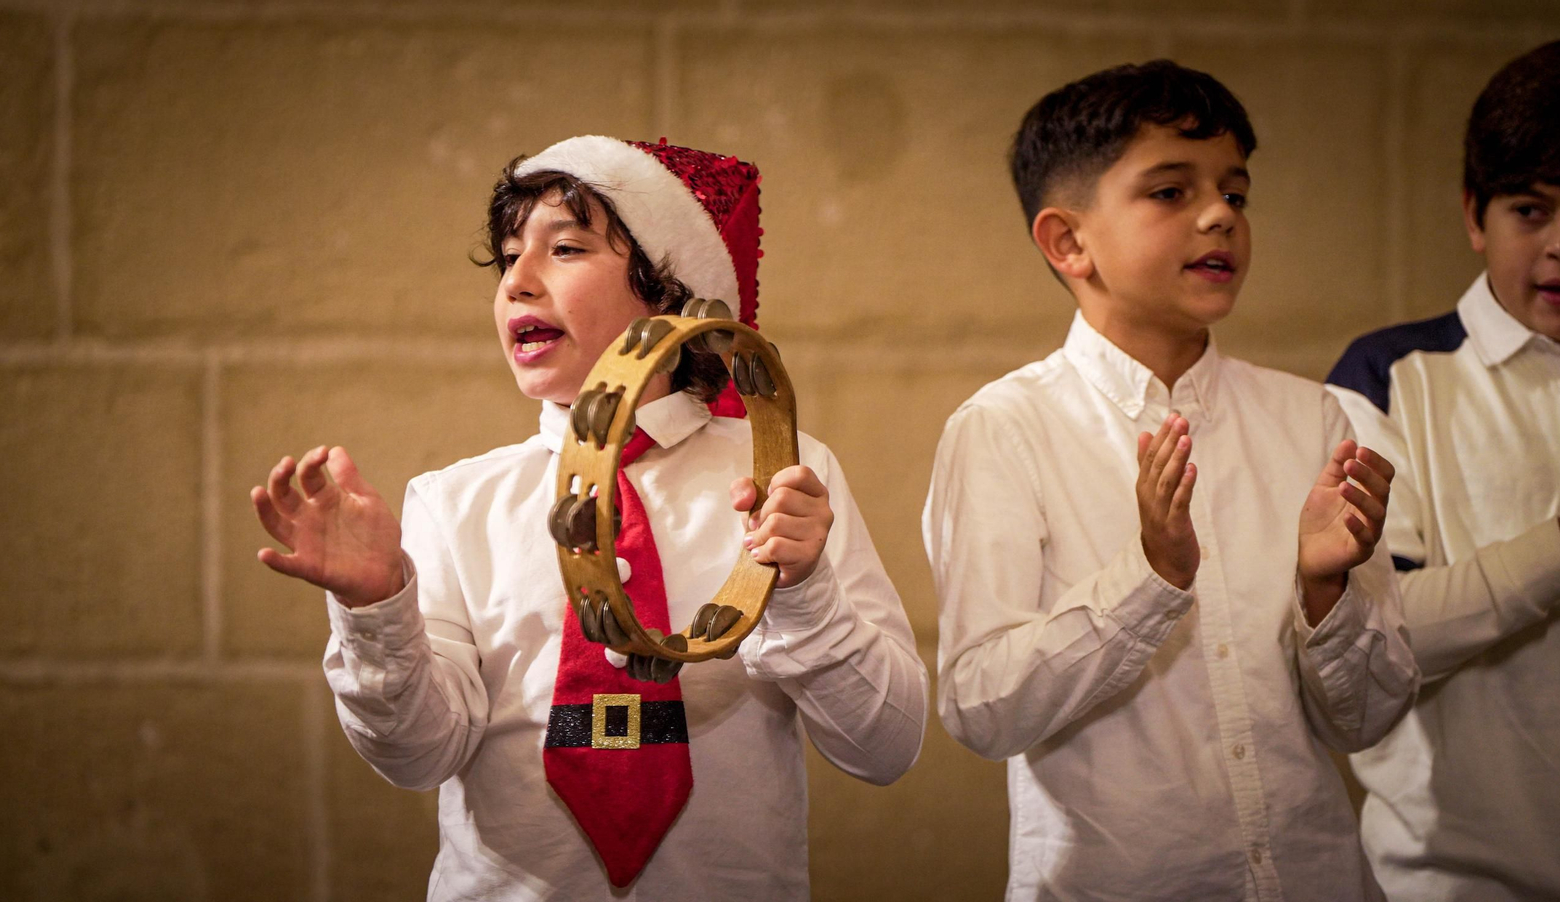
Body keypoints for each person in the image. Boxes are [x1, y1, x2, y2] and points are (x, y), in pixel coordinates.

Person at [250, 136, 928, 900]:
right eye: (509, 258)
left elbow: (885, 748)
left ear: (671, 292)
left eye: (565, 248)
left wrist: (803, 593)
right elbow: (416, 757)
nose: (518, 282)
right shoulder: (454, 503)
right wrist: (376, 609)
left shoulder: (785, 475)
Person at [923, 61, 1419, 901]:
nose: (1220, 215)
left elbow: (1366, 720)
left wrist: (1325, 591)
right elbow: (981, 708)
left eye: (1236, 192)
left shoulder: (1311, 418)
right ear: (1068, 242)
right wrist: (1149, 576)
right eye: (1169, 191)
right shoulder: (1005, 428)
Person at [1325, 38, 1560, 902]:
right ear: (1476, 215)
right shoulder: (1390, 377)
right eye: (1531, 210)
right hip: (1453, 882)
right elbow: (1371, 640)